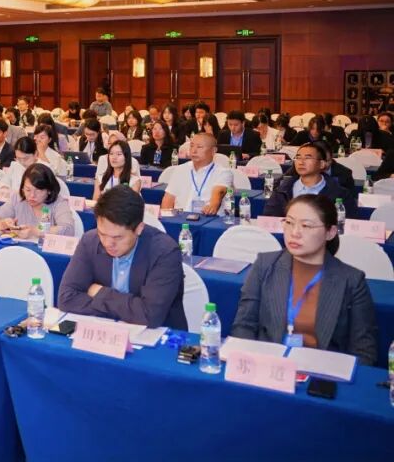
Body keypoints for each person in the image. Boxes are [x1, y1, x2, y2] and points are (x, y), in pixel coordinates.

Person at [230, 194, 378, 365]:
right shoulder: (265, 265)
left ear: (330, 232)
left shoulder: (352, 280)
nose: (295, 233)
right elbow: (243, 326)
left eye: (306, 226)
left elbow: (364, 351)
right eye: (289, 223)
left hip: (322, 372)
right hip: (269, 368)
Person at [58, 187, 186, 328]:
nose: (108, 243)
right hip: (106, 331)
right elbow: (66, 298)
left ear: (139, 228)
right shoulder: (90, 241)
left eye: (117, 237)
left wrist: (100, 293)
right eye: (102, 234)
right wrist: (127, 310)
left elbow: (149, 316)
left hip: (159, 336)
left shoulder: (165, 252)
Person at [264, 142, 357, 218]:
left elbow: (347, 223)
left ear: (322, 164)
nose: (301, 162)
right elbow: (269, 219)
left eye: (307, 157)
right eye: (298, 157)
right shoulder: (282, 191)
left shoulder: (340, 194)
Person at [0, 163, 75, 239]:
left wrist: (34, 231)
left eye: (38, 191)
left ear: (49, 190)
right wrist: (2, 225)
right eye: (28, 190)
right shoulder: (17, 198)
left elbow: (68, 230)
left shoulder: (59, 202)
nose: (32, 195)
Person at [161, 133, 233, 215]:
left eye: (199, 147)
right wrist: (166, 218)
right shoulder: (179, 169)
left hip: (208, 219)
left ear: (213, 151)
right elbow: (168, 199)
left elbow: (219, 192)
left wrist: (212, 205)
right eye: (191, 146)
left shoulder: (223, 173)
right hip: (180, 218)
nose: (194, 151)